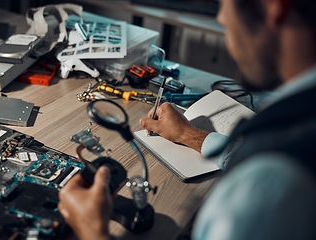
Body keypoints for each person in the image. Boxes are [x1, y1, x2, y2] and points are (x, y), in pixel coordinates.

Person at [58, 0, 316, 239]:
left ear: (273, 7)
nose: (222, 18)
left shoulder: (270, 182)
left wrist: (92, 231)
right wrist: (188, 135)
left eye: (225, 5)